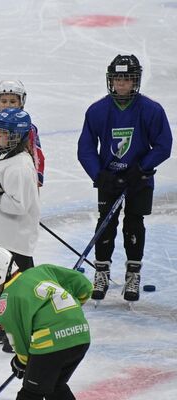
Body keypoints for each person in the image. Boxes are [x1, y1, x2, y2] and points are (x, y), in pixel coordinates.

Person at [77, 54, 172, 303]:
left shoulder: (151, 110)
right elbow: (85, 148)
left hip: (139, 181)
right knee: (105, 225)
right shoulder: (97, 111)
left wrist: (141, 168)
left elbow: (163, 145)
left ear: (135, 81)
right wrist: (100, 175)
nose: (121, 84)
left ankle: (133, 274)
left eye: (127, 79)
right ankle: (102, 272)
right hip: (109, 181)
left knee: (134, 224)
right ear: (111, 80)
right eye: (117, 79)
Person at [0, 247, 92, 400]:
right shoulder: (43, 271)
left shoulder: (7, 301)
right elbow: (85, 286)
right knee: (54, 386)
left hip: (51, 347)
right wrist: (70, 313)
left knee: (30, 394)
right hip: (81, 335)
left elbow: (21, 344)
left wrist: (20, 363)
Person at [0, 108, 41, 352]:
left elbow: (18, 205)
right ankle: (8, 321)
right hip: (5, 234)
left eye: (1, 133)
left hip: (16, 238)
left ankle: (22, 331)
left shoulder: (20, 166)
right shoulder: (6, 157)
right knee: (6, 284)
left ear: (16, 136)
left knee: (20, 287)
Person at [0, 80, 45, 228]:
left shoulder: (28, 127)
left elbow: (37, 156)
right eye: (4, 101)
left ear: (21, 103)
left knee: (19, 223)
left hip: (18, 182)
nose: (7, 105)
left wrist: (35, 181)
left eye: (12, 101)